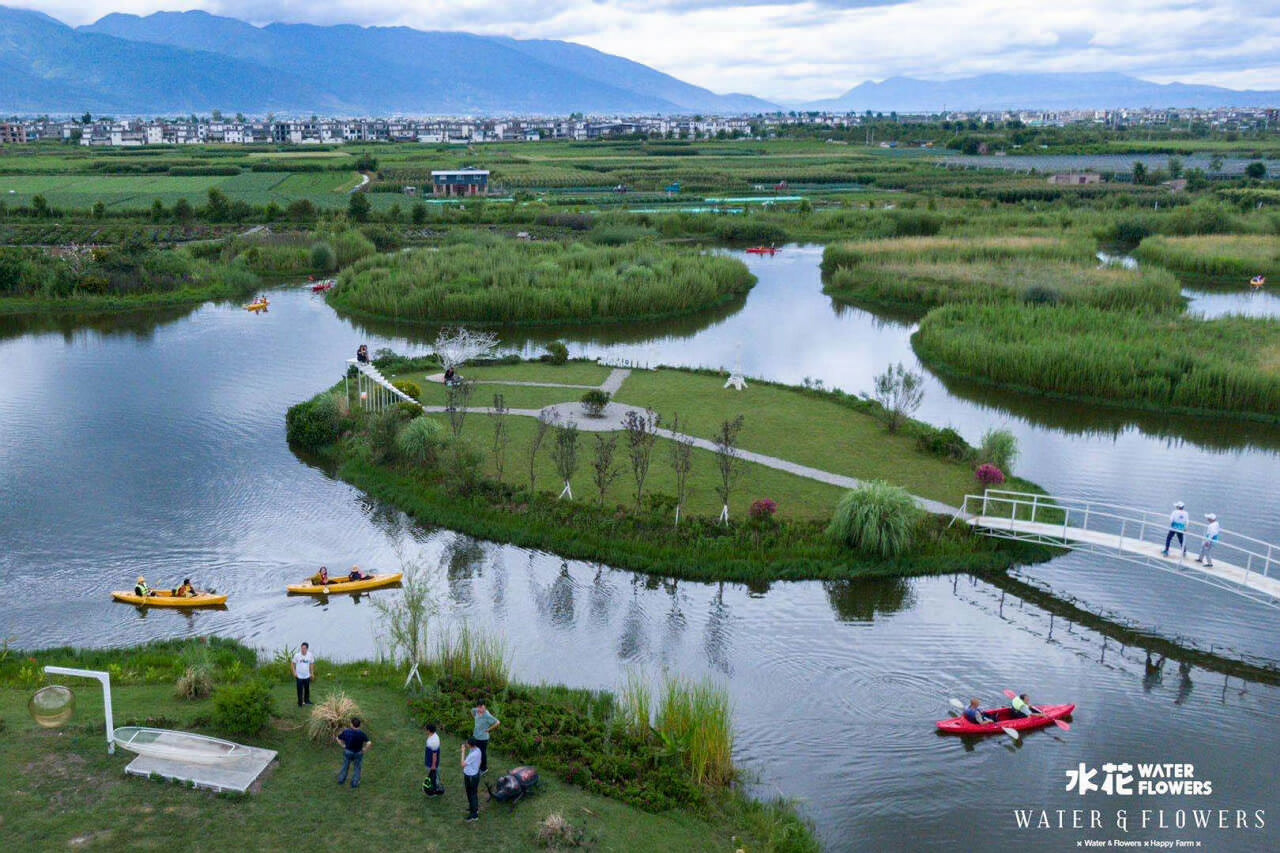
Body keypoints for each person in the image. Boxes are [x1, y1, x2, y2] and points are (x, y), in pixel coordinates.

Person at [336, 717, 371, 789]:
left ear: (351, 724)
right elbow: (369, 743)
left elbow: (338, 738)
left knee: (345, 766)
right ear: (359, 725)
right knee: (357, 768)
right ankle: (355, 783)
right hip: (358, 752)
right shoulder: (362, 734)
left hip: (348, 751)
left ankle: (341, 780)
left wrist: (343, 745)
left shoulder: (346, 732)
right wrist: (364, 749)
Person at [471, 702, 500, 773]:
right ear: (478, 707)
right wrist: (475, 717)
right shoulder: (476, 711)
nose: (483, 709)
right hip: (476, 736)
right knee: (475, 751)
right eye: (481, 708)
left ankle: (484, 768)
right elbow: (472, 710)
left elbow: (497, 722)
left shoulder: (487, 715)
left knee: (482, 753)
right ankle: (476, 765)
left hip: (483, 738)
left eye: (484, 708)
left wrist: (489, 729)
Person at [461, 738, 482, 821]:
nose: (466, 744)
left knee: (471, 794)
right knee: (473, 793)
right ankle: (474, 808)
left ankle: (474, 815)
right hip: (475, 774)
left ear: (470, 745)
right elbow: (479, 761)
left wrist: (463, 751)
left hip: (470, 777)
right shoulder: (478, 750)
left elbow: (462, 764)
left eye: (467, 743)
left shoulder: (472, 754)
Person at [292, 642, 315, 707]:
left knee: (307, 689)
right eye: (302, 648)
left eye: (304, 648)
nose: (303, 650)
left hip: (307, 676)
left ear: (307, 649)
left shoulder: (310, 655)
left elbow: (311, 664)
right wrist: (294, 672)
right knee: (300, 690)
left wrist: (312, 673)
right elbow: (293, 664)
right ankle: (300, 703)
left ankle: (307, 701)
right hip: (299, 676)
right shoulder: (297, 655)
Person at [424, 723, 443, 796]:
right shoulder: (433, 735)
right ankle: (435, 787)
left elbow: (434, 755)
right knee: (434, 776)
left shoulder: (434, 741)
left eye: (426, 729)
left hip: (431, 762)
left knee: (433, 776)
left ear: (429, 730)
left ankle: (434, 790)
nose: (425, 730)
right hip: (429, 760)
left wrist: (433, 765)